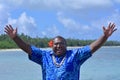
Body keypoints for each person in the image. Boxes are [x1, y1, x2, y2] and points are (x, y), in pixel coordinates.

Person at [4, 23, 117, 80]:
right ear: (52, 45)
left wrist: (105, 37)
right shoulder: (44, 56)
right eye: (56, 44)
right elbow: (28, 49)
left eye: (62, 44)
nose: (58, 46)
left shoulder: (75, 55)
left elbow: (92, 48)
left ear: (66, 46)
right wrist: (15, 38)